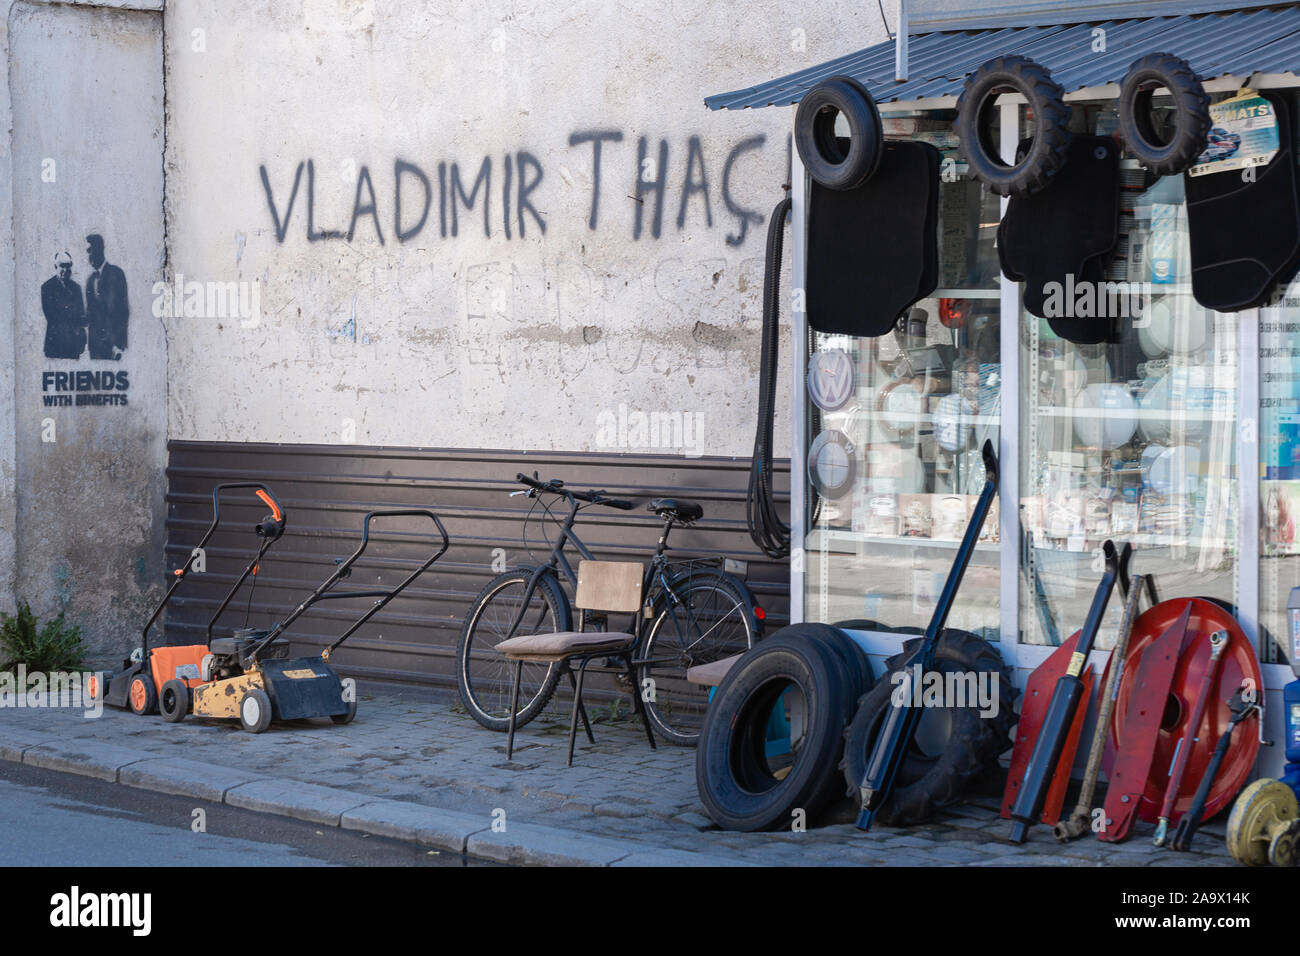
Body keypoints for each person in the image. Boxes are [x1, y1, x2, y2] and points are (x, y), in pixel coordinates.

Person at [84, 234, 128, 360]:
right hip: (95, 347)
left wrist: (119, 345)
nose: (88, 255)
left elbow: (123, 311)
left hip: (113, 346)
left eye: (90, 250)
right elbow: (90, 313)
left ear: (100, 249)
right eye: (87, 252)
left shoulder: (116, 274)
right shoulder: (90, 280)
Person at [41, 251, 86, 359]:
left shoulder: (76, 288)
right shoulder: (47, 288)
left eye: (68, 266)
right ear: (55, 266)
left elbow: (81, 314)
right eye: (62, 266)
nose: (65, 270)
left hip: (73, 345)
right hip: (55, 344)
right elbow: (52, 317)